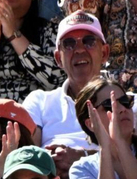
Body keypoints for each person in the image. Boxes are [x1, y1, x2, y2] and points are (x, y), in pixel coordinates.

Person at [23, 12, 110, 150]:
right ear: (58, 58)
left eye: (89, 41)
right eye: (69, 44)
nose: (79, 49)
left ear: (104, 53)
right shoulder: (39, 102)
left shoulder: (127, 104)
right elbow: (29, 158)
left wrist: (82, 158)